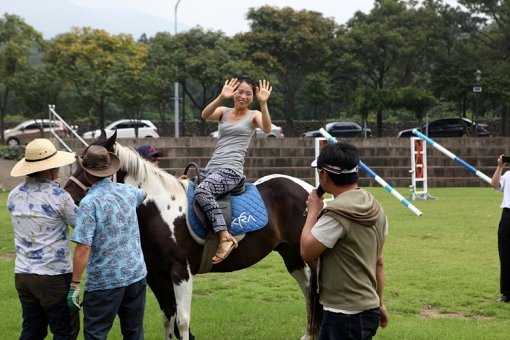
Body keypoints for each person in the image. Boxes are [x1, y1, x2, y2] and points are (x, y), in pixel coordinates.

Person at [300, 141, 389, 339]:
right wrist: (380, 302)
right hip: (368, 309)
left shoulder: (336, 214)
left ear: (324, 175)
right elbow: (379, 262)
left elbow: (307, 251)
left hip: (343, 315)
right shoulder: (376, 207)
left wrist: (313, 211)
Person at [67, 145, 148, 339]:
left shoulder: (89, 203)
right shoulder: (129, 192)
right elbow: (144, 194)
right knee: (134, 331)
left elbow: (83, 247)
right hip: (136, 274)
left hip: (105, 282)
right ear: (110, 169)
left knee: (96, 333)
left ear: (86, 173)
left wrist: (74, 285)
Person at [7, 138, 79, 340]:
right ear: (50, 167)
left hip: (23, 274)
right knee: (65, 330)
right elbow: (81, 225)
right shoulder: (59, 196)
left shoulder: (13, 195)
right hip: (53, 275)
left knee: (32, 330)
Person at [197, 75, 273, 264]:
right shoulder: (223, 111)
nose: (243, 96)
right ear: (233, 93)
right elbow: (205, 115)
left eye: (248, 94)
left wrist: (263, 104)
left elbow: (267, 128)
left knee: (203, 191)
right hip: (212, 168)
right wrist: (221, 97)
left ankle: (224, 237)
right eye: (240, 92)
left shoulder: (253, 115)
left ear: (253, 97)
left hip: (231, 171)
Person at [490, 155, 510, 303]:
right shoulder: (508, 175)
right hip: (507, 216)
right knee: (505, 254)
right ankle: (507, 293)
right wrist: (500, 167)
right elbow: (494, 184)